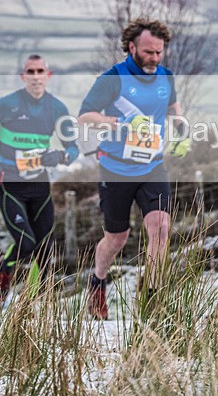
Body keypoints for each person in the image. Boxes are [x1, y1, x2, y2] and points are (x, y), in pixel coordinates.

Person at [78, 18, 189, 321]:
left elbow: (173, 108)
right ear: (131, 47)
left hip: (152, 166)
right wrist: (121, 123)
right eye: (148, 52)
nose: (154, 58)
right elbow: (85, 116)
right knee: (117, 238)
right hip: (116, 169)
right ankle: (98, 281)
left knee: (161, 229)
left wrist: (182, 131)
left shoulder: (165, 76)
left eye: (159, 52)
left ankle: (152, 299)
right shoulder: (112, 78)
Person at [0, 54, 79, 306]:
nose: (35, 76)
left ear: (48, 76)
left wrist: (61, 156)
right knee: (26, 243)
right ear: (23, 76)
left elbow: (73, 148)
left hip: (39, 184)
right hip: (10, 183)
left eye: (40, 71)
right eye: (30, 71)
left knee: (45, 248)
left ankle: (32, 298)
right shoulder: (7, 104)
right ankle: (2, 277)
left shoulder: (57, 108)